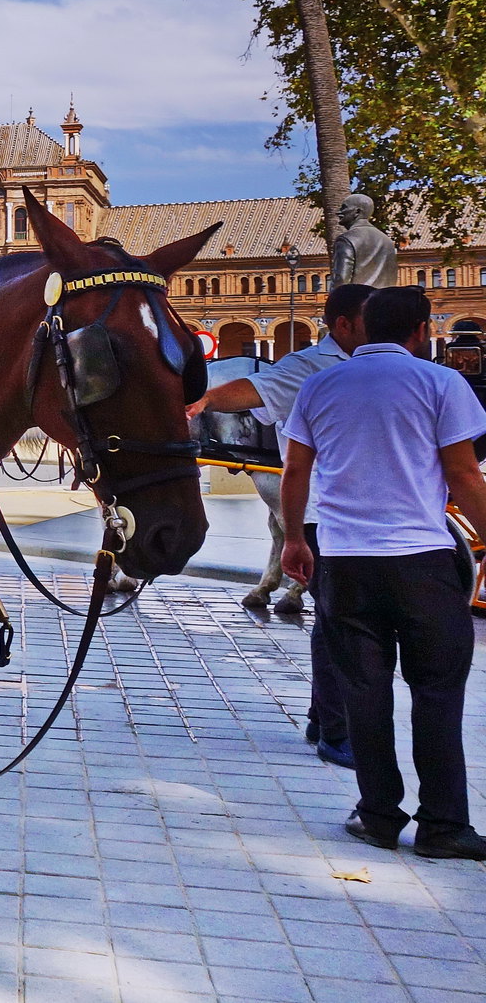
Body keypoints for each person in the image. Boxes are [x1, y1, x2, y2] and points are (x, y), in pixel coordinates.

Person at [282, 286, 486, 859]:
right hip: (421, 560)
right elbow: (464, 475)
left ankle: (377, 815)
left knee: (364, 691)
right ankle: (444, 825)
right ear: (422, 329)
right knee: (437, 692)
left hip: (345, 562)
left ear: (362, 327)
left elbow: (296, 468)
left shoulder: (320, 385)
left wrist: (295, 538)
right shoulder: (441, 383)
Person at [190, 283, 374, 766]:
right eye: (371, 318)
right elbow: (252, 389)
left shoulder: (367, 366)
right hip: (322, 515)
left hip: (356, 516)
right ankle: (335, 728)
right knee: (341, 624)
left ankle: (326, 716)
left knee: (342, 621)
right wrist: (201, 402)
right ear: (344, 325)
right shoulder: (310, 367)